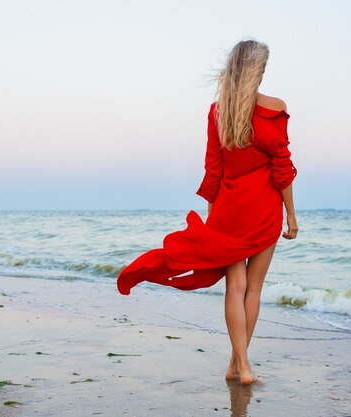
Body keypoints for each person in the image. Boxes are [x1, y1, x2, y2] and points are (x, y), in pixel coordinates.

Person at [117, 39, 298, 386]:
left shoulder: (218, 112)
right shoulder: (274, 108)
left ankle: (237, 364)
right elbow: (283, 170)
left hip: (229, 211)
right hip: (263, 209)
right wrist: (291, 215)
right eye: (262, 68)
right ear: (256, 70)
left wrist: (213, 218)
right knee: (254, 289)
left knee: (235, 287)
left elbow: (213, 170)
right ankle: (242, 365)